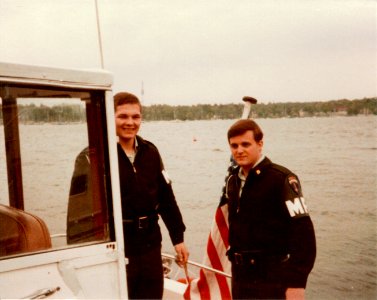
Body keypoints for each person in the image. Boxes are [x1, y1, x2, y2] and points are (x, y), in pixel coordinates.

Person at [224, 119, 316, 300]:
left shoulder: (281, 179)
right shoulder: (233, 181)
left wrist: (297, 283)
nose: (239, 150)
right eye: (234, 145)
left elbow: (305, 237)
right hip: (240, 277)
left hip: (270, 278)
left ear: (260, 144)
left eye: (245, 144)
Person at [114, 92, 189, 299]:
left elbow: (166, 199)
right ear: (111, 117)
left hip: (150, 246)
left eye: (135, 117)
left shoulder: (150, 152)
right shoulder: (98, 154)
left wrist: (178, 238)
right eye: (123, 116)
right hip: (119, 248)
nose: (130, 122)